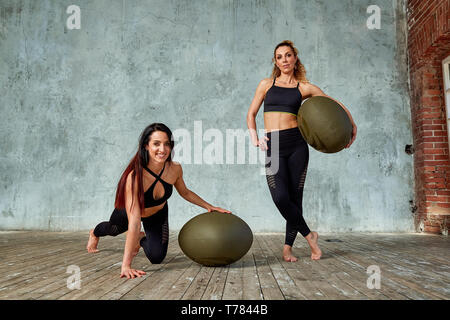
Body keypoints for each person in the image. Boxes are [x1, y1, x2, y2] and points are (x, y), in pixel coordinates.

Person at [246, 40, 357, 262]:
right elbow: (251, 114)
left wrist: (352, 125)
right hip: (274, 145)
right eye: (279, 56)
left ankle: (287, 248)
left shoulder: (304, 87)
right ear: (275, 61)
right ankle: (310, 236)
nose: (284, 60)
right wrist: (255, 139)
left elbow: (333, 104)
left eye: (288, 55)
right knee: (280, 197)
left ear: (295, 58)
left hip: (297, 145)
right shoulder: (266, 84)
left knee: (295, 199)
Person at [86, 123, 230, 279]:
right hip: (130, 213)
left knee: (156, 257)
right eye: (156, 144)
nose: (162, 149)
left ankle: (141, 238)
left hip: (157, 214)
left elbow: (185, 192)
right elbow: (134, 222)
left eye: (167, 144)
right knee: (113, 230)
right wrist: (126, 265)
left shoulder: (175, 169)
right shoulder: (135, 177)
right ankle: (94, 232)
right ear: (146, 146)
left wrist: (209, 206)